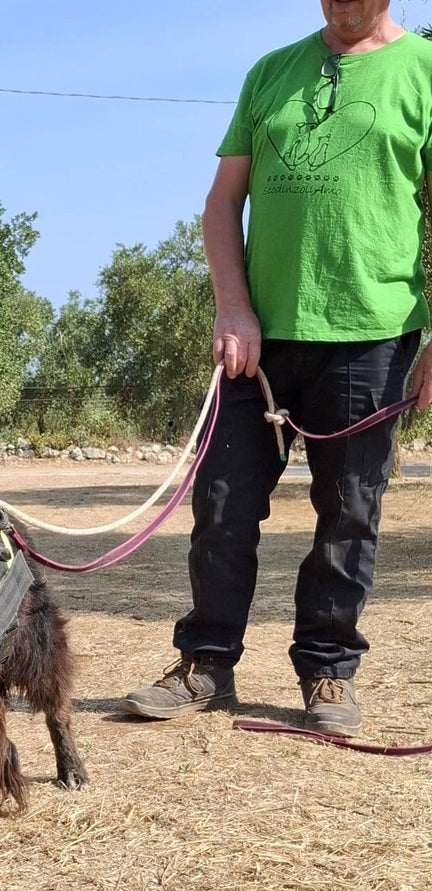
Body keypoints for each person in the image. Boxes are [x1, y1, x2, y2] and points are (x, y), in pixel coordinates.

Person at [122, 0, 432, 737]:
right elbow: (224, 202)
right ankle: (205, 663)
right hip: (257, 341)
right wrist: (233, 307)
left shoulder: (424, 72)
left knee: (348, 516)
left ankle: (328, 669)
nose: (344, 4)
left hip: (373, 336)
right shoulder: (270, 74)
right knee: (222, 507)